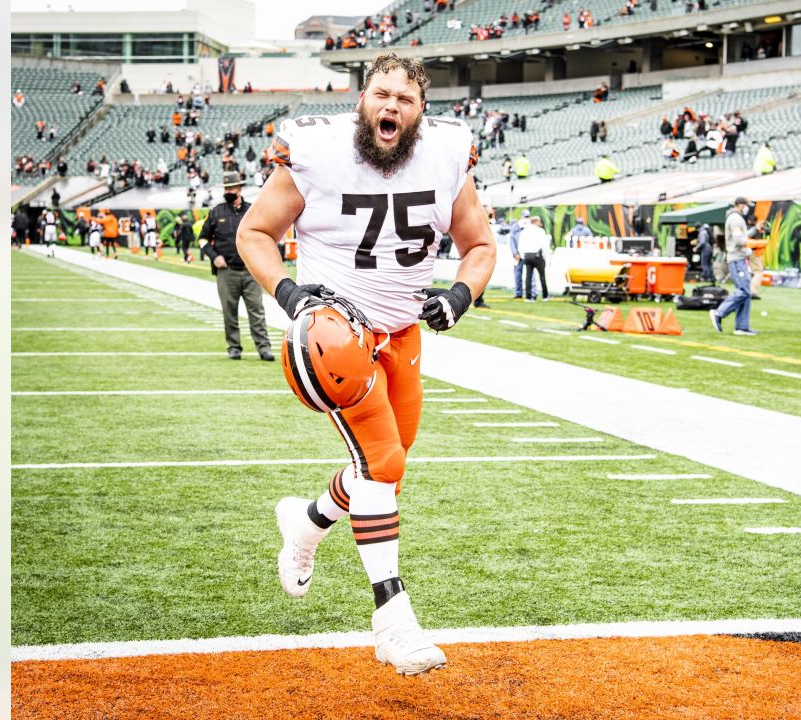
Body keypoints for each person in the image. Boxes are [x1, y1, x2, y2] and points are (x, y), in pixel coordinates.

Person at [235, 53, 495, 677]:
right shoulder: (318, 151)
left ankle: (307, 522)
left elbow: (480, 244)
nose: (390, 108)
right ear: (362, 99)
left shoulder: (446, 154)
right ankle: (392, 621)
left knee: (384, 473)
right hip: (336, 335)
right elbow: (254, 233)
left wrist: (460, 295)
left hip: (403, 334)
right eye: (381, 95)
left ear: (420, 111)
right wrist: (291, 295)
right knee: (380, 463)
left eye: (404, 101)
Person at [198, 172, 273, 361]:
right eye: (226, 188)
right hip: (227, 271)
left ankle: (264, 348)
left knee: (257, 311)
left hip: (251, 271)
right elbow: (203, 239)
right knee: (229, 312)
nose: (229, 191)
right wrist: (214, 257)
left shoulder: (253, 210)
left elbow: (265, 235)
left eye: (231, 188)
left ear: (239, 188)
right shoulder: (216, 212)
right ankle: (234, 347)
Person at [710, 197, 766, 336]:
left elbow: (742, 236)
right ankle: (719, 313)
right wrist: (754, 246)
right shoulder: (735, 218)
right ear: (741, 205)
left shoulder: (736, 217)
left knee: (745, 292)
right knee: (744, 292)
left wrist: (755, 229)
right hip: (737, 260)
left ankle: (742, 326)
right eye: (747, 205)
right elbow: (739, 240)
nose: (748, 208)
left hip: (739, 259)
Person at [517, 216, 551, 301]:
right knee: (542, 276)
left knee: (528, 277)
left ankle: (528, 297)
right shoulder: (540, 231)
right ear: (536, 221)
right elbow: (544, 245)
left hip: (527, 255)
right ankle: (545, 296)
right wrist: (546, 257)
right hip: (537, 255)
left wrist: (522, 256)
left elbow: (520, 245)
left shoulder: (524, 231)